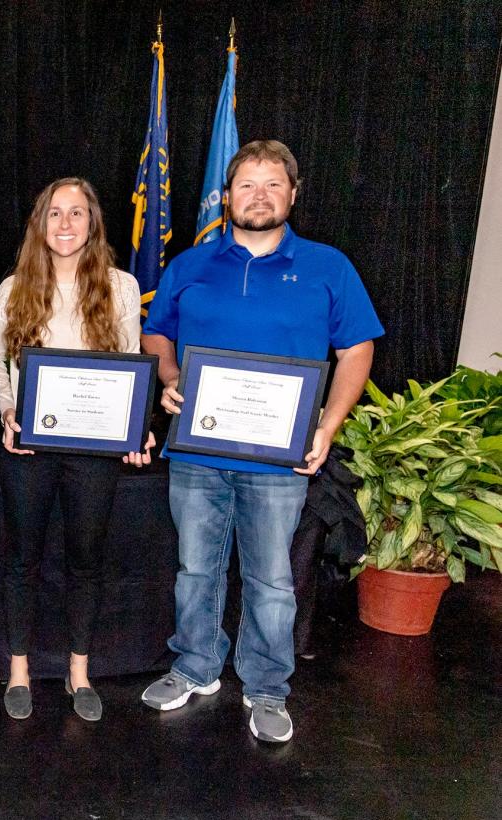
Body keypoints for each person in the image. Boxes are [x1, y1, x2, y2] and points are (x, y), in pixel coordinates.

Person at [140, 140, 384, 743]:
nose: (259, 196)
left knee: (272, 578)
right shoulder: (189, 265)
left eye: (273, 184)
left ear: (293, 194)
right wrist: (169, 377)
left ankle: (267, 685)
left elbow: (357, 349)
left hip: (281, 458)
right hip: (197, 451)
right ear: (227, 196)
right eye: (246, 185)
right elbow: (156, 335)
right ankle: (195, 667)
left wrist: (326, 426)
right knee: (196, 568)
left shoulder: (330, 266)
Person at [0, 177, 154, 723]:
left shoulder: (120, 287)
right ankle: (19, 671)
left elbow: (130, 361)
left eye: (76, 214)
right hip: (28, 449)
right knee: (21, 560)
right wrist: (8, 410)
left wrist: (135, 428)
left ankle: (79, 672)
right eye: (55, 213)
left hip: (93, 452)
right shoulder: (14, 289)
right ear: (41, 223)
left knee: (85, 562)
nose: (65, 224)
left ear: (92, 223)